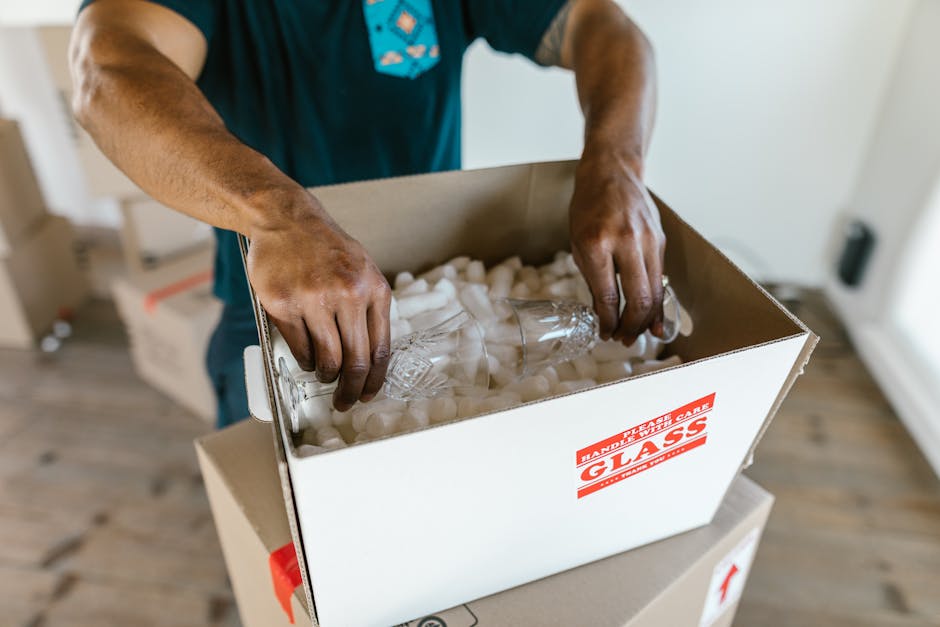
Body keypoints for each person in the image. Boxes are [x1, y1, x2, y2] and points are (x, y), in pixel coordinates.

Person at [70, 0, 665, 428]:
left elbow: (601, 24)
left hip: (439, 280)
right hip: (278, 310)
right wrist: (280, 217)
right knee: (283, 552)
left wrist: (615, 165)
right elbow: (108, 70)